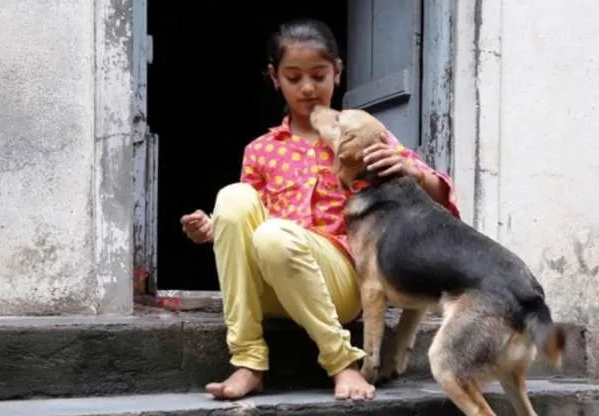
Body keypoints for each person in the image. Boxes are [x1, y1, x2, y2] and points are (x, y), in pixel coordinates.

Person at [180, 18, 460, 402]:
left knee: (273, 236)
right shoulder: (260, 150)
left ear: (338, 72)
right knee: (233, 198)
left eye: (318, 75)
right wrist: (210, 230)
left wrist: (412, 170)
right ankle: (248, 360)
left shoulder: (360, 133)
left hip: (340, 283)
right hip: (273, 278)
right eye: (294, 78)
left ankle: (341, 362)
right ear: (274, 77)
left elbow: (441, 202)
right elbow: (245, 222)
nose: (308, 88)